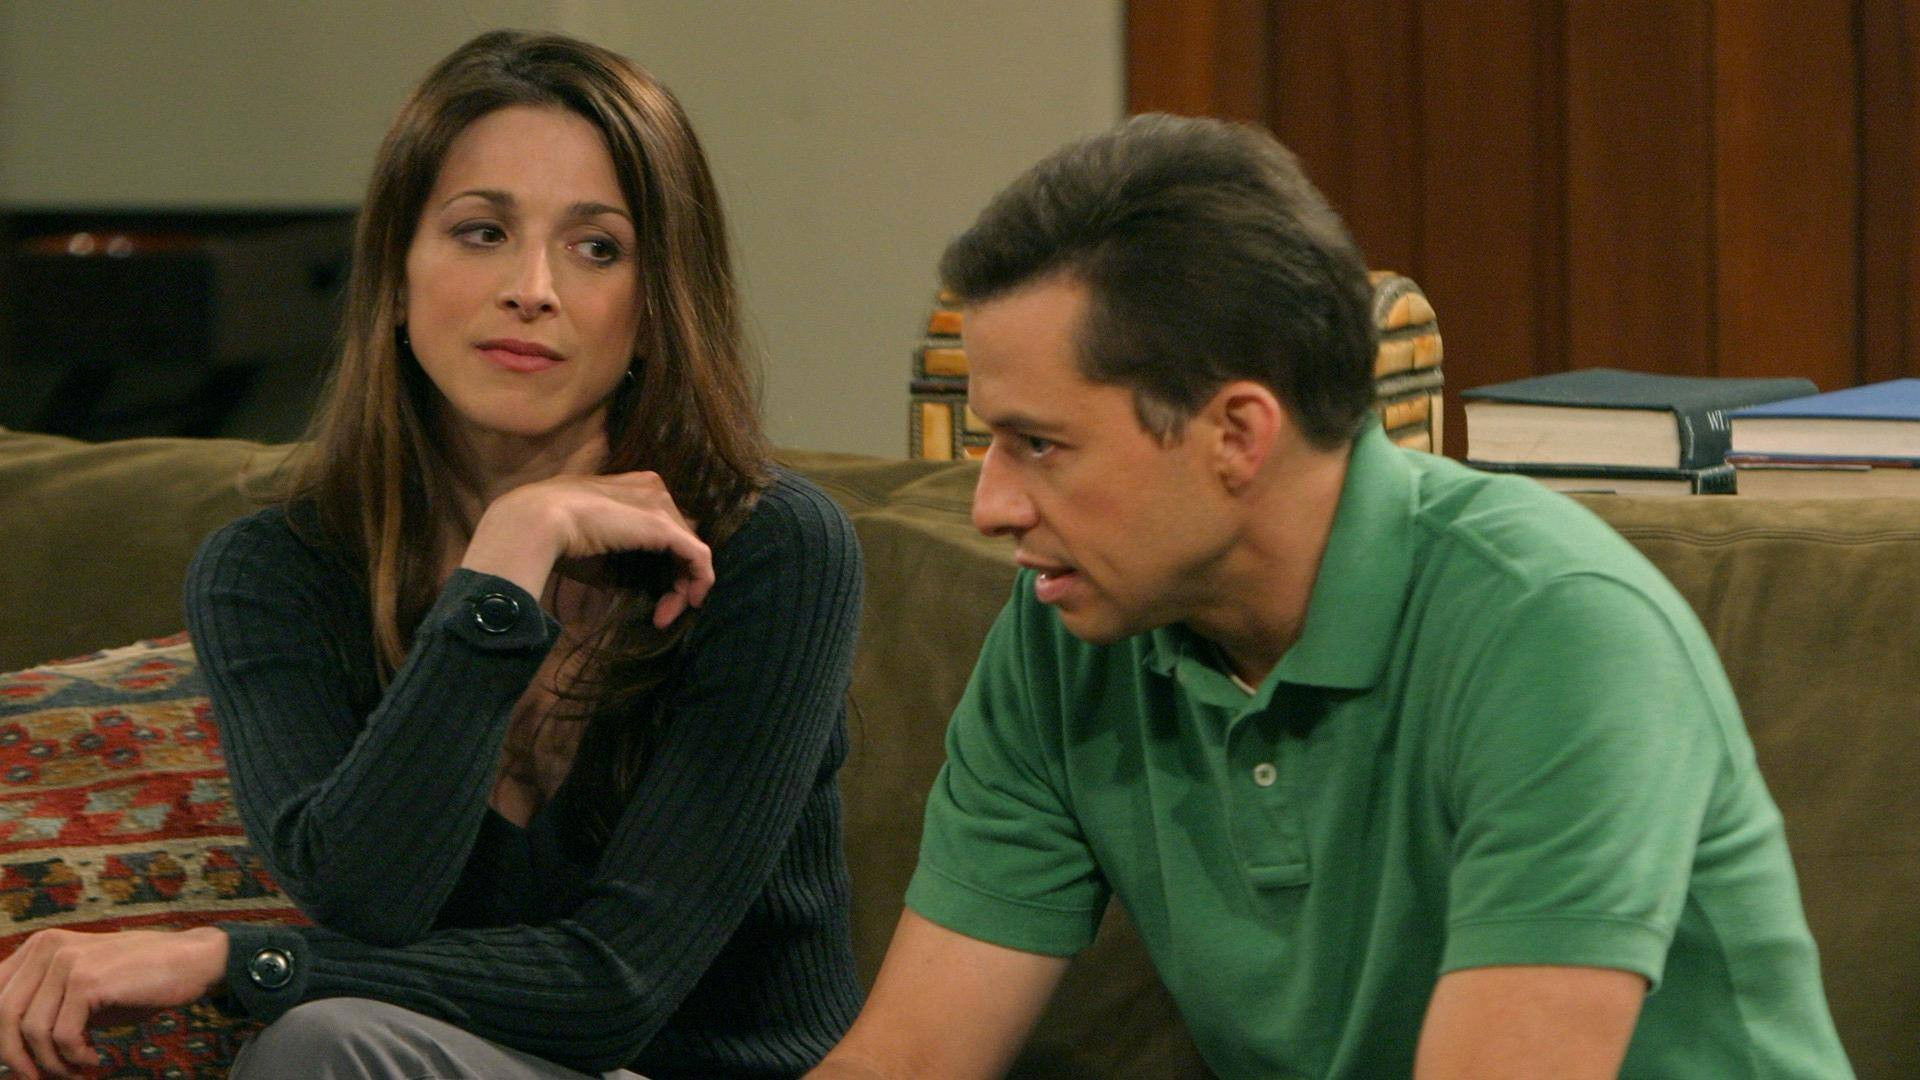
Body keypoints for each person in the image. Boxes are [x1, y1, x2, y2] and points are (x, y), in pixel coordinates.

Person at [809, 115, 1853, 1079]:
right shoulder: (1065, 630)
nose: (990, 507)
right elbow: (906, 1062)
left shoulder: (1556, 626)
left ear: (1236, 434)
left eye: (1039, 445)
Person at [0, 30, 864, 1080]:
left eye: (597, 248)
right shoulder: (273, 573)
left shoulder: (771, 547)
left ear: (654, 309)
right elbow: (370, 894)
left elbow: (619, 989)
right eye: (481, 232)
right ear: (397, 278)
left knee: (321, 1041)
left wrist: (234, 959)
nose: (532, 287)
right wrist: (506, 566)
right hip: (440, 1060)